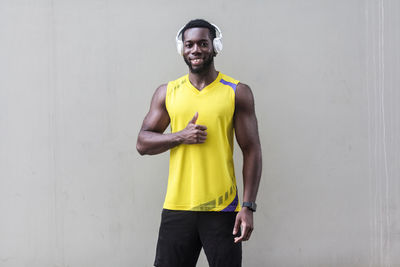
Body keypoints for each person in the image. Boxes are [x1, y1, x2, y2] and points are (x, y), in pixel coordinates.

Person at [136, 19, 262, 267]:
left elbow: (252, 150)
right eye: (189, 44)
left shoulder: (236, 92)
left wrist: (247, 207)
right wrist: (180, 136)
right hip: (178, 206)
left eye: (203, 43)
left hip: (223, 208)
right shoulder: (167, 92)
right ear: (182, 48)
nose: (196, 50)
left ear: (215, 47)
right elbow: (142, 142)